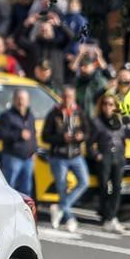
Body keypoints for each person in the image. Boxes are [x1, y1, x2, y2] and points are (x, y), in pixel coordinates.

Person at [42, 85, 90, 233]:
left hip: (75, 154)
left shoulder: (79, 112)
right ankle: (69, 218)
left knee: (84, 181)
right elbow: (45, 136)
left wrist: (81, 137)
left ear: (74, 98)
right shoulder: (54, 113)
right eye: (65, 96)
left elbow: (88, 131)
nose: (67, 99)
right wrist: (61, 138)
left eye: (70, 96)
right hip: (59, 156)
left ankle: (60, 208)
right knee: (62, 187)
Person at [88, 93, 127, 233]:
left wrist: (123, 155)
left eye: (111, 104)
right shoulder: (97, 122)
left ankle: (112, 216)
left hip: (118, 157)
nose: (107, 107)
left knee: (117, 187)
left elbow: (123, 140)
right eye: (105, 104)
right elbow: (89, 143)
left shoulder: (120, 122)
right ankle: (107, 217)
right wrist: (97, 155)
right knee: (104, 187)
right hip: (104, 156)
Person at [0, 88, 37, 197]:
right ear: (14, 100)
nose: (21, 102)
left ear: (28, 101)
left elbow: (33, 134)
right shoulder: (7, 116)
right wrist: (19, 135)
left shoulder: (30, 116)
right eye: (18, 99)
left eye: (23, 99)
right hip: (12, 157)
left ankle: (23, 213)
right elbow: (1, 135)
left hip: (28, 158)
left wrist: (34, 150)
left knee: (26, 189)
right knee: (9, 187)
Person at [110, 68, 130, 142]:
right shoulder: (113, 92)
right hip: (116, 126)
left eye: (126, 77)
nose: (124, 79)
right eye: (122, 76)